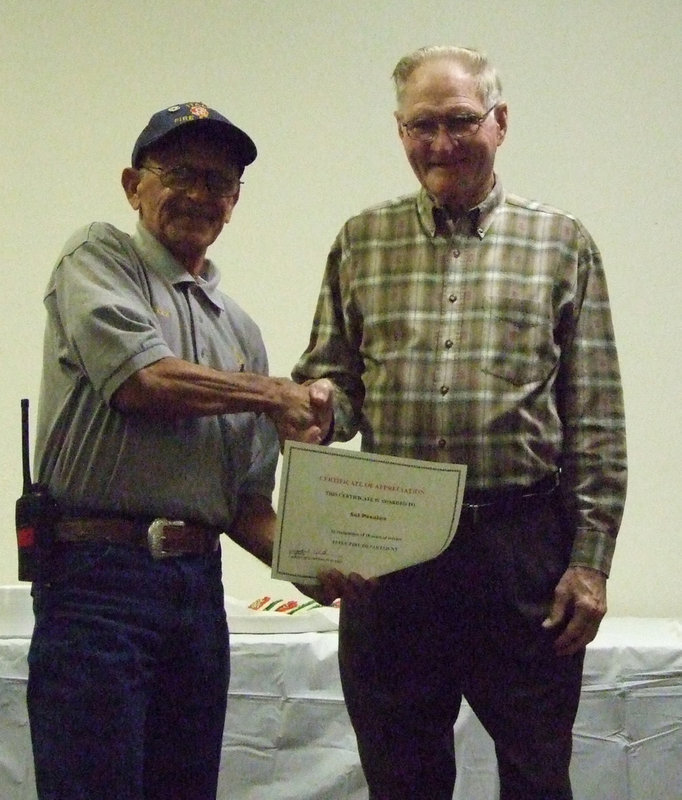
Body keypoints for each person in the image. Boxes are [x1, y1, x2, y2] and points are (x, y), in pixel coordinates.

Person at [293, 47, 627, 800]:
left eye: (459, 121)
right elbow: (336, 385)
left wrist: (590, 562)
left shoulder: (562, 245)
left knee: (538, 776)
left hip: (522, 553)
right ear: (399, 131)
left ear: (499, 123)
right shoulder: (360, 241)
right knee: (399, 775)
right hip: (392, 553)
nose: (440, 144)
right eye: (421, 126)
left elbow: (597, 420)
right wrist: (315, 409)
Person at [27, 101, 331, 800]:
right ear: (134, 184)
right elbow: (144, 381)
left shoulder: (241, 332)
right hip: (97, 581)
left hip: (198, 591)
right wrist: (273, 395)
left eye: (221, 183)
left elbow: (245, 506)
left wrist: (319, 568)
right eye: (182, 174)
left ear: (234, 204)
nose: (201, 194)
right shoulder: (98, 257)